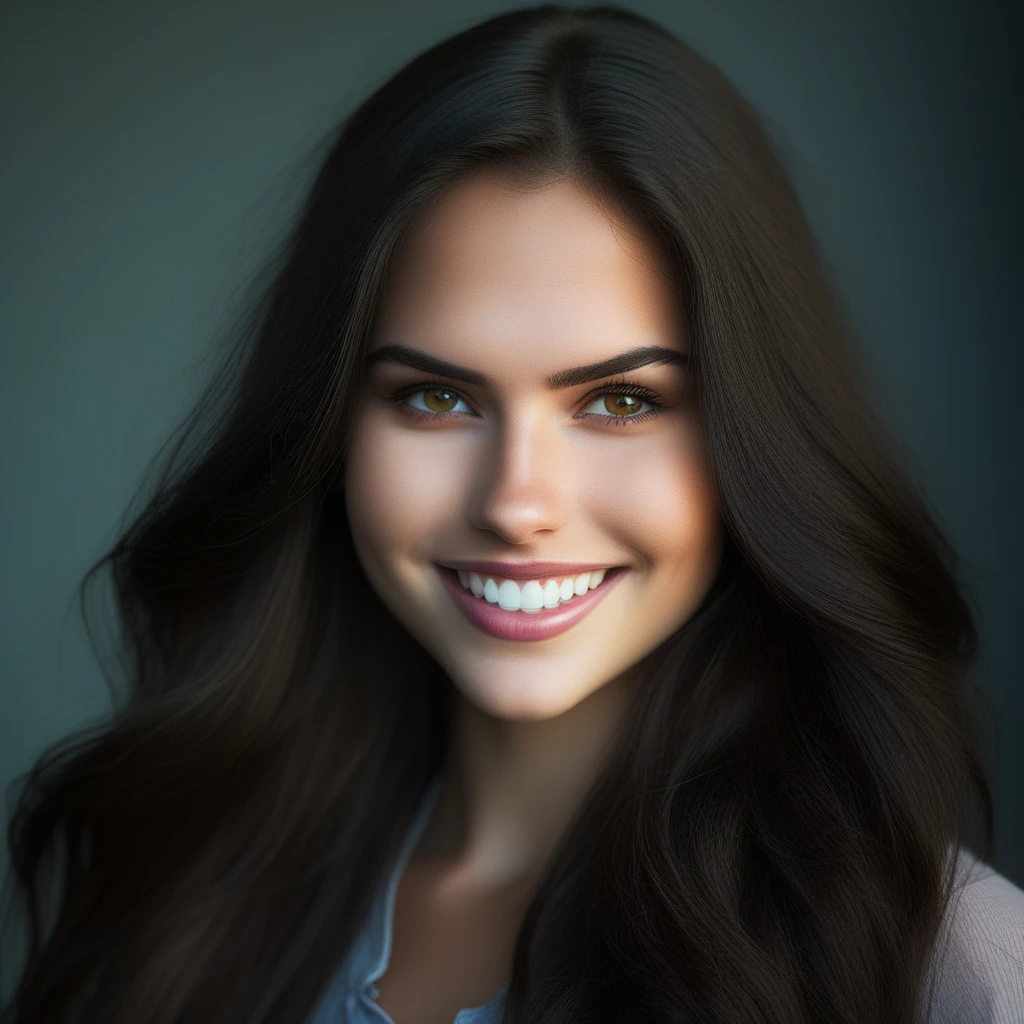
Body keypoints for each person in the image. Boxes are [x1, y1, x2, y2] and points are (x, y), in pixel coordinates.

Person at [3, 5, 1022, 1023]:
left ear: (753, 437)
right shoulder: (179, 890)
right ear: (328, 432)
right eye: (435, 398)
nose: (516, 504)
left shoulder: (954, 973)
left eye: (621, 401)